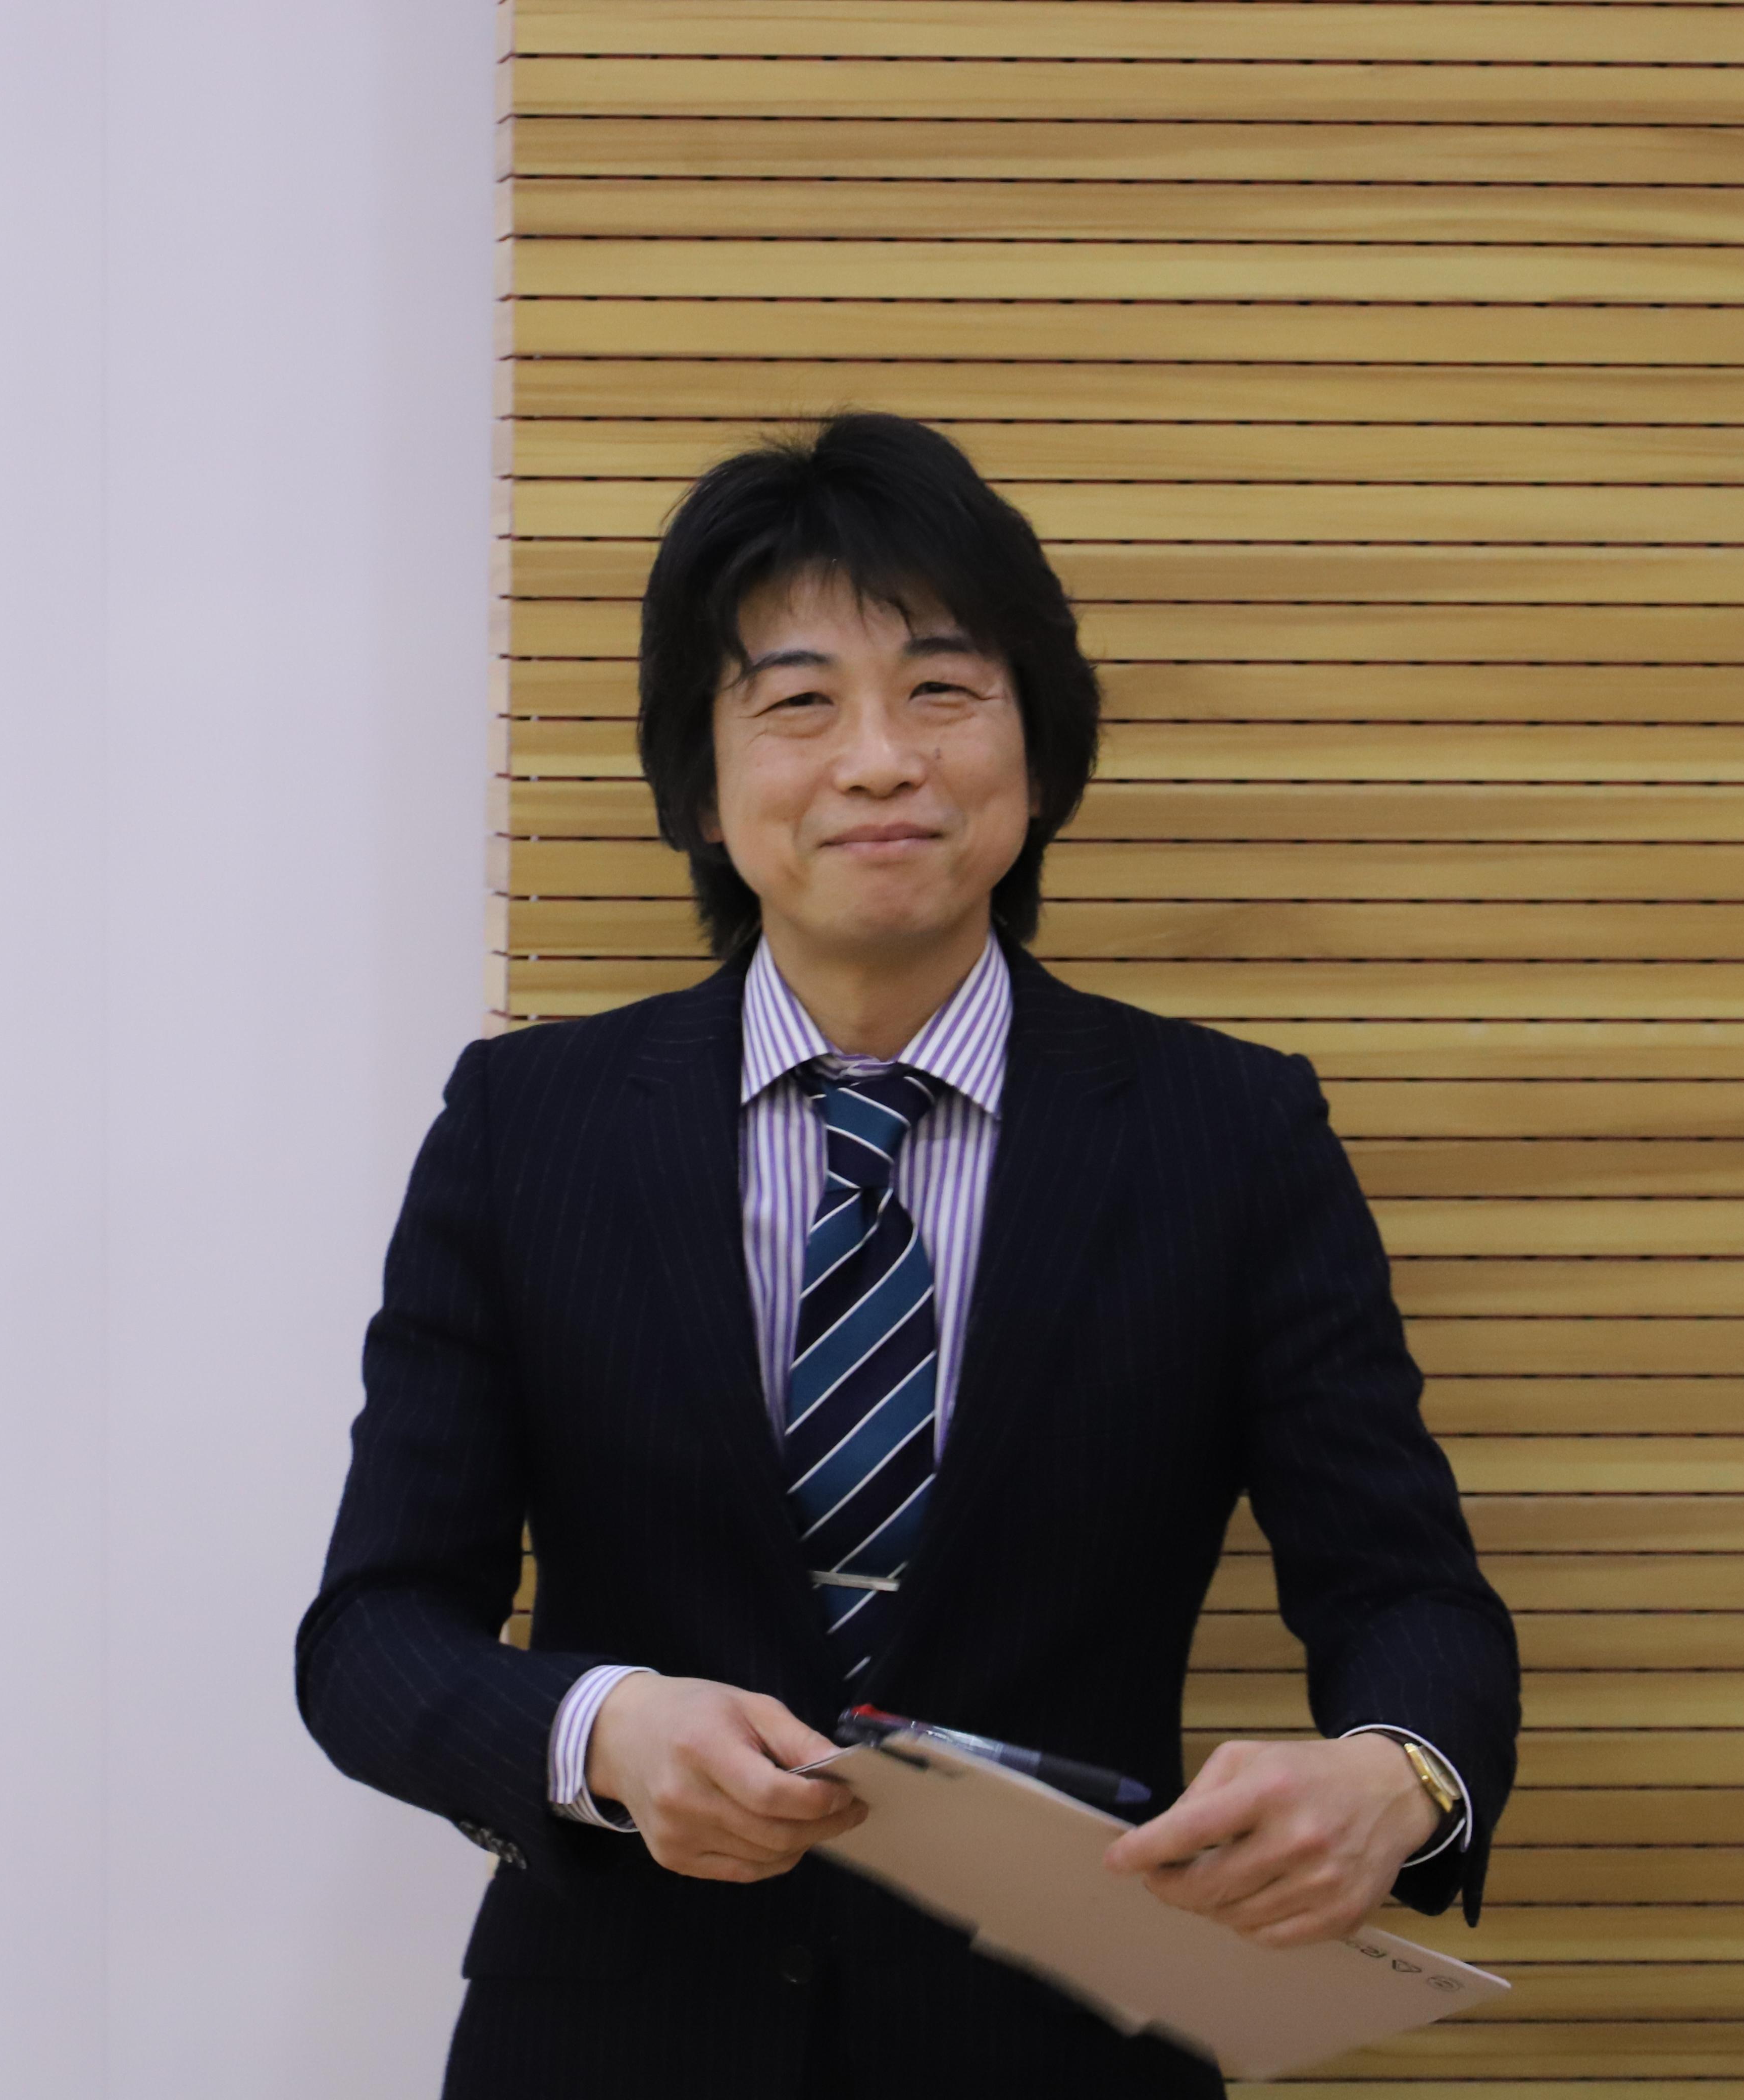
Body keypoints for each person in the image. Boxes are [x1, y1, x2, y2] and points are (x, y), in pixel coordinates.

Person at [296, 413, 1519, 2098]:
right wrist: (601, 1731)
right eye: (798, 702)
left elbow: (1406, 1591)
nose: (880, 760)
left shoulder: (1230, 1134)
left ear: (1038, 752)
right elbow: (371, 1632)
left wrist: (1401, 1776)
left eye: (942, 689)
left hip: (1060, 2048)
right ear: (702, 786)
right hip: (617, 2040)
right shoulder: (529, 1126)